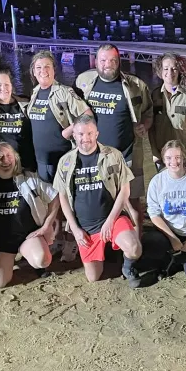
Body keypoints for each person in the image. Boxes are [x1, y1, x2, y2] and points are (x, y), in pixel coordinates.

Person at [53, 115, 144, 286]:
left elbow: (124, 191)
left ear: (97, 134)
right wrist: (75, 229)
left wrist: (110, 222)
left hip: (113, 218)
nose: (85, 138)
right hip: (86, 227)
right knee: (93, 277)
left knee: (134, 248)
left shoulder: (113, 155)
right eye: (80, 134)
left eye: (89, 133)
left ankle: (128, 267)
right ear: (74, 135)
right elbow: (63, 198)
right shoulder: (65, 162)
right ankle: (109, 252)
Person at [0, 143, 59, 289]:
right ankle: (6, 258)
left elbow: (54, 197)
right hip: (0, 239)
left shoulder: (29, 179)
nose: (5, 160)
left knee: (42, 260)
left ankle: (27, 252)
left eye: (8, 155)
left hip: (27, 235)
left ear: (15, 158)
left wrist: (46, 226)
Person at [75, 44, 153, 220]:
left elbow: (149, 110)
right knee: (99, 200)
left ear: (119, 62)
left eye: (113, 60)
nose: (107, 64)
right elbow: (71, 108)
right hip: (93, 157)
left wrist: (145, 124)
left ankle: (137, 242)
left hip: (127, 155)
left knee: (133, 201)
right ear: (96, 61)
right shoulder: (83, 82)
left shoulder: (136, 85)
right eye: (103, 60)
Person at [143, 140, 186, 282]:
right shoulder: (157, 182)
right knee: (149, 241)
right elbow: (154, 214)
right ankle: (170, 259)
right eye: (169, 158)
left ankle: (183, 259)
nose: (173, 162)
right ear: (163, 159)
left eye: (177, 157)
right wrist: (172, 238)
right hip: (169, 233)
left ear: (184, 158)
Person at [26, 51, 91, 183]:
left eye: (47, 66)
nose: (43, 71)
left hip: (62, 157)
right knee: (48, 199)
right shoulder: (35, 93)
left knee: (65, 197)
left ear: (54, 70)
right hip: (41, 159)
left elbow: (87, 114)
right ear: (33, 71)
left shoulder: (64, 92)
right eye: (38, 67)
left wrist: (67, 132)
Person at [150, 53, 186, 168]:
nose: (170, 73)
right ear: (160, 71)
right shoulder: (155, 95)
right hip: (162, 158)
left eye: (174, 69)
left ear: (180, 71)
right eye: (166, 68)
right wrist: (154, 152)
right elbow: (151, 128)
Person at [0, 69, 35, 171]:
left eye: (6, 84)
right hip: (2, 164)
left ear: (11, 86)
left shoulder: (25, 104)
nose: (3, 88)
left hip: (25, 163)